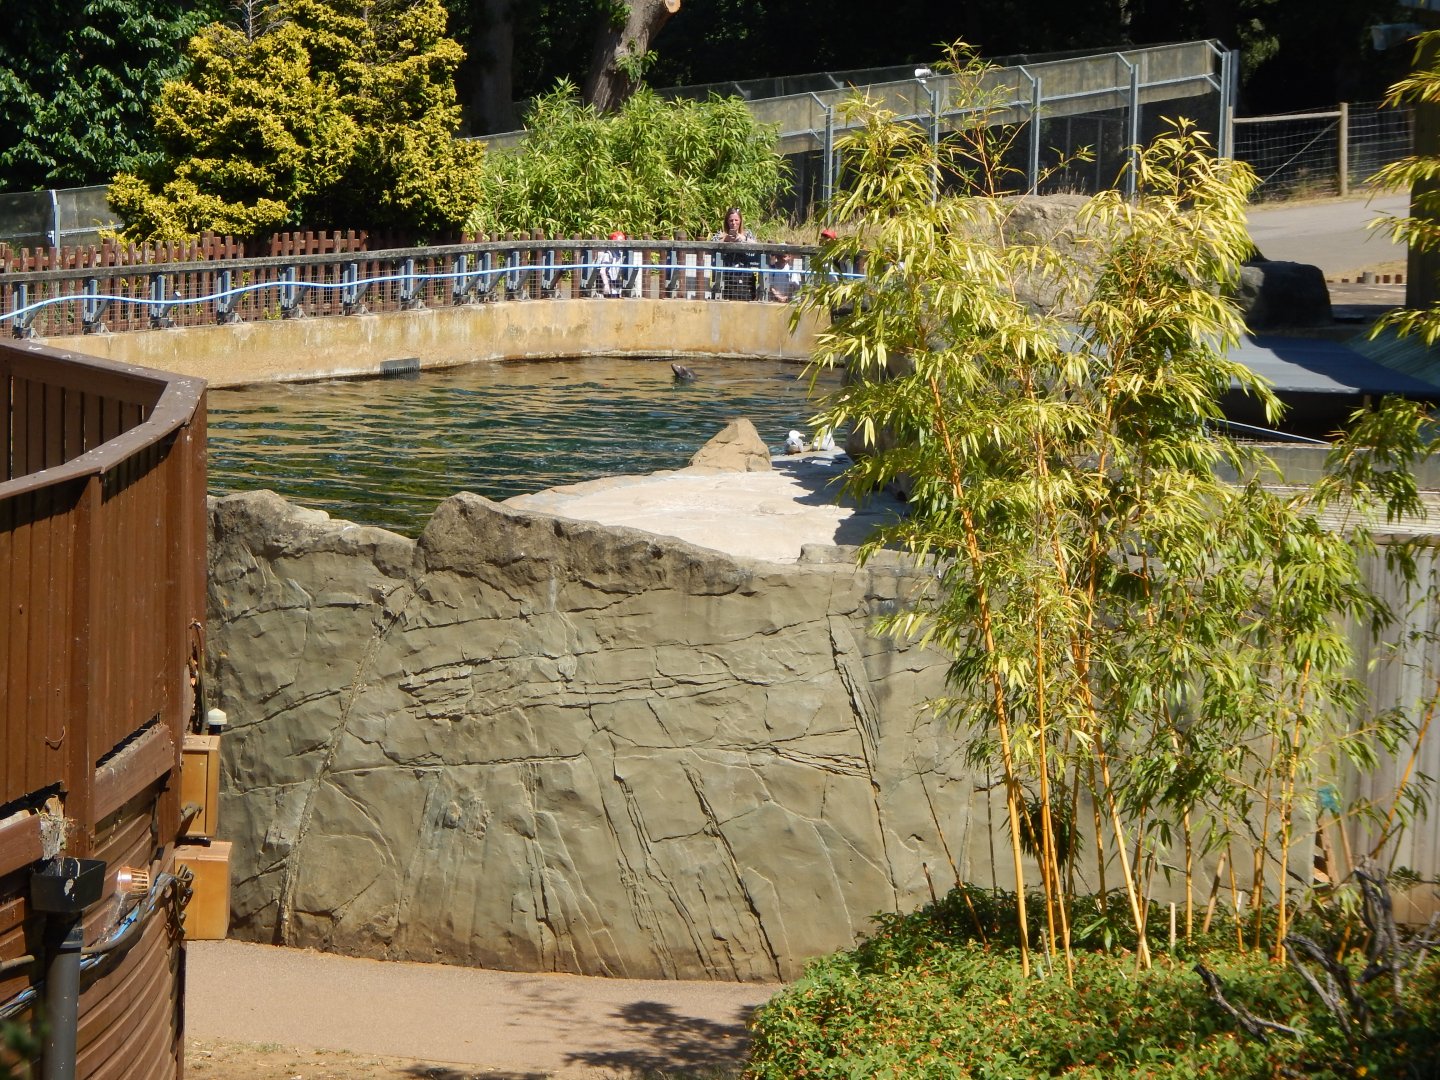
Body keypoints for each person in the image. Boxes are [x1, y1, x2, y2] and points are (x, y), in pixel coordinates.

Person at [711, 208, 757, 300]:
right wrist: (726, 239)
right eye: (731, 220)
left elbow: (756, 245)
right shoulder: (720, 234)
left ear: (740, 221)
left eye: (736, 220)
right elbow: (711, 244)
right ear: (727, 222)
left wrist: (743, 239)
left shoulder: (747, 234)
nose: (734, 223)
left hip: (744, 272)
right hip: (726, 272)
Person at [595, 231, 626, 297]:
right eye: (619, 241)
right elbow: (602, 271)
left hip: (616, 282)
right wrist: (606, 285)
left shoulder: (621, 254)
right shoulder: (608, 254)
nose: (621, 244)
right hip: (608, 283)